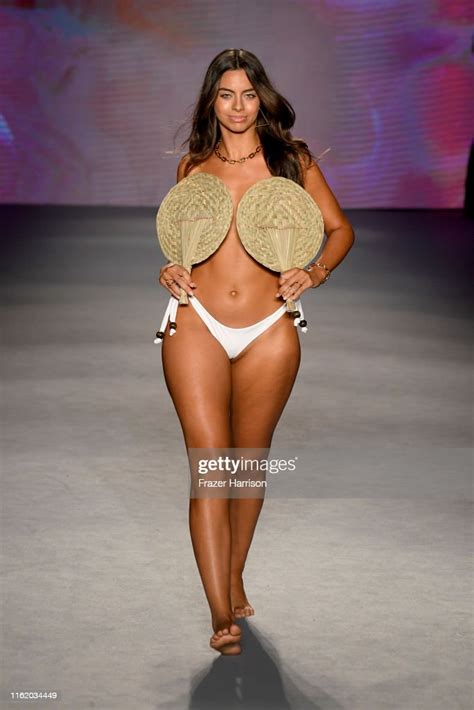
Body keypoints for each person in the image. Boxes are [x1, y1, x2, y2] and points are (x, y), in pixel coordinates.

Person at [158, 48, 355, 655]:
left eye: (248, 94)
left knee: (245, 464)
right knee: (210, 467)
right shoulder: (193, 167)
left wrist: (316, 273)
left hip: (271, 324)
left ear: (261, 98)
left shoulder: (291, 161)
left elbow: (340, 229)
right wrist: (171, 269)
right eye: (226, 95)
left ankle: (233, 573)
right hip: (197, 320)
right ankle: (221, 612)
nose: (238, 106)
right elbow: (185, 243)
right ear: (210, 101)